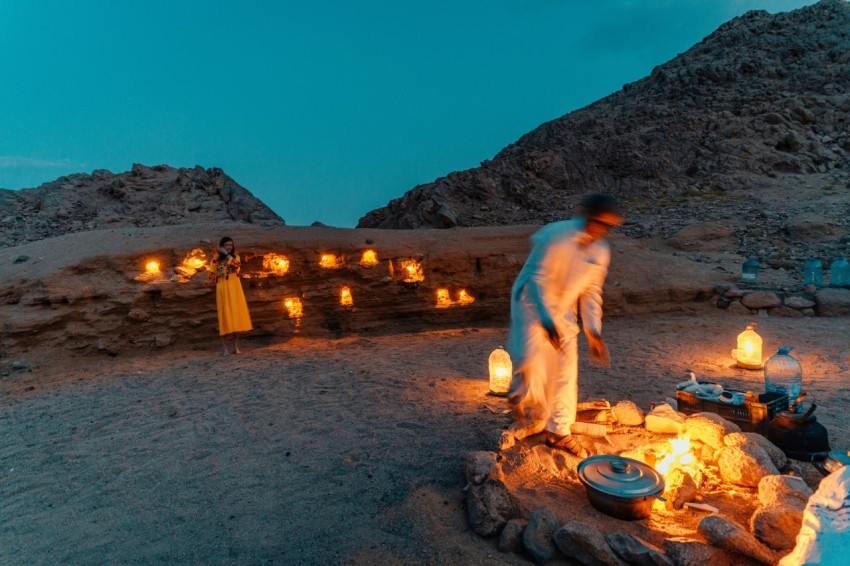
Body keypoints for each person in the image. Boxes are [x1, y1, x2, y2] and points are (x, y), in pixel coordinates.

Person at [506, 193, 624, 458]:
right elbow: (536, 279)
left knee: (565, 368)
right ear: (587, 217)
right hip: (531, 303)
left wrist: (594, 332)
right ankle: (522, 395)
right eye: (599, 223)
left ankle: (559, 431)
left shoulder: (600, 251)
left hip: (563, 310)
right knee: (530, 360)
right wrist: (546, 322)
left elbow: (592, 292)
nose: (601, 231)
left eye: (607, 227)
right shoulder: (555, 235)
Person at [209, 236, 253, 356]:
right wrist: (222, 258)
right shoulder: (215, 259)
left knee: (235, 316)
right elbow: (215, 274)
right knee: (224, 317)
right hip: (223, 288)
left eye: (230, 245)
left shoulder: (236, 257)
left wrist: (226, 255)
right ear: (222, 246)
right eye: (226, 245)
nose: (229, 247)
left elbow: (235, 266)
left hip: (235, 287)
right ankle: (225, 348)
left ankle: (236, 347)